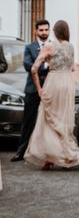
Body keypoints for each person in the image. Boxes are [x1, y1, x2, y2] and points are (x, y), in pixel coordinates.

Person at [24, 20, 79, 170]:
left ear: (55, 32)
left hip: (54, 83)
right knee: (64, 120)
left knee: (49, 120)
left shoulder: (50, 46)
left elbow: (34, 69)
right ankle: (66, 157)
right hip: (68, 84)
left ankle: (50, 158)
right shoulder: (70, 46)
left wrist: (39, 88)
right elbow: (73, 68)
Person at [11, 19, 50, 162]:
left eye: (46, 30)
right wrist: (45, 67)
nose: (44, 33)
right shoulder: (30, 47)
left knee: (49, 122)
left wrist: (41, 65)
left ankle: (47, 154)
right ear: (36, 31)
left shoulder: (53, 46)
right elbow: (28, 65)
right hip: (32, 90)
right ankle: (20, 152)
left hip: (49, 89)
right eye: (41, 30)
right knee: (28, 122)